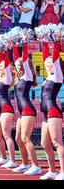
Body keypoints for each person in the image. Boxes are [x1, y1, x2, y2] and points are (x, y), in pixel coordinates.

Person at [12, 43, 41, 176]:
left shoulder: (27, 75)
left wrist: (23, 43)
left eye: (20, 62)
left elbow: (23, 57)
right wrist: (13, 44)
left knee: (25, 138)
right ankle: (25, 163)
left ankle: (36, 166)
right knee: (18, 139)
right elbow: (16, 57)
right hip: (21, 112)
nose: (17, 63)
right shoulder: (19, 77)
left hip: (27, 110)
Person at [39, 41, 64, 180]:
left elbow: (54, 57)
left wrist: (56, 41)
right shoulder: (48, 76)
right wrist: (44, 40)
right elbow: (45, 56)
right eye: (47, 62)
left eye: (50, 61)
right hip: (45, 113)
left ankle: (63, 171)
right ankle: (52, 170)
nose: (47, 62)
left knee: (57, 142)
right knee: (44, 143)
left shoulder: (57, 75)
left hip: (53, 111)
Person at [0, 49, 17, 169]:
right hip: (0, 110)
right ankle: (3, 157)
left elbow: (6, 65)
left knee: (6, 135)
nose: (0, 68)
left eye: (2, 66)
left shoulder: (7, 79)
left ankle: (12, 160)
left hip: (6, 108)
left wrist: (6, 50)